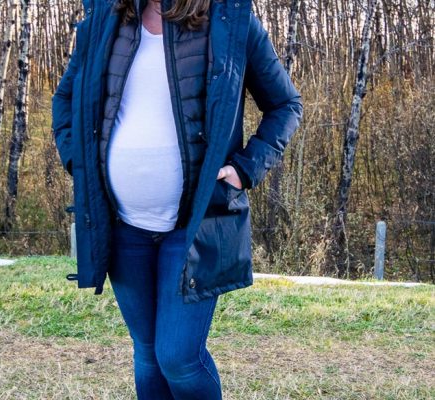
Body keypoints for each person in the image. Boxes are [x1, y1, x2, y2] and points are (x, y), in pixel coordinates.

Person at [51, 0, 303, 398]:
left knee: (179, 358)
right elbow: (65, 100)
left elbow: (285, 105)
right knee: (148, 353)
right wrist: (77, 161)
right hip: (121, 225)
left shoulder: (229, 20)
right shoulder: (107, 16)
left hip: (194, 225)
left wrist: (245, 168)